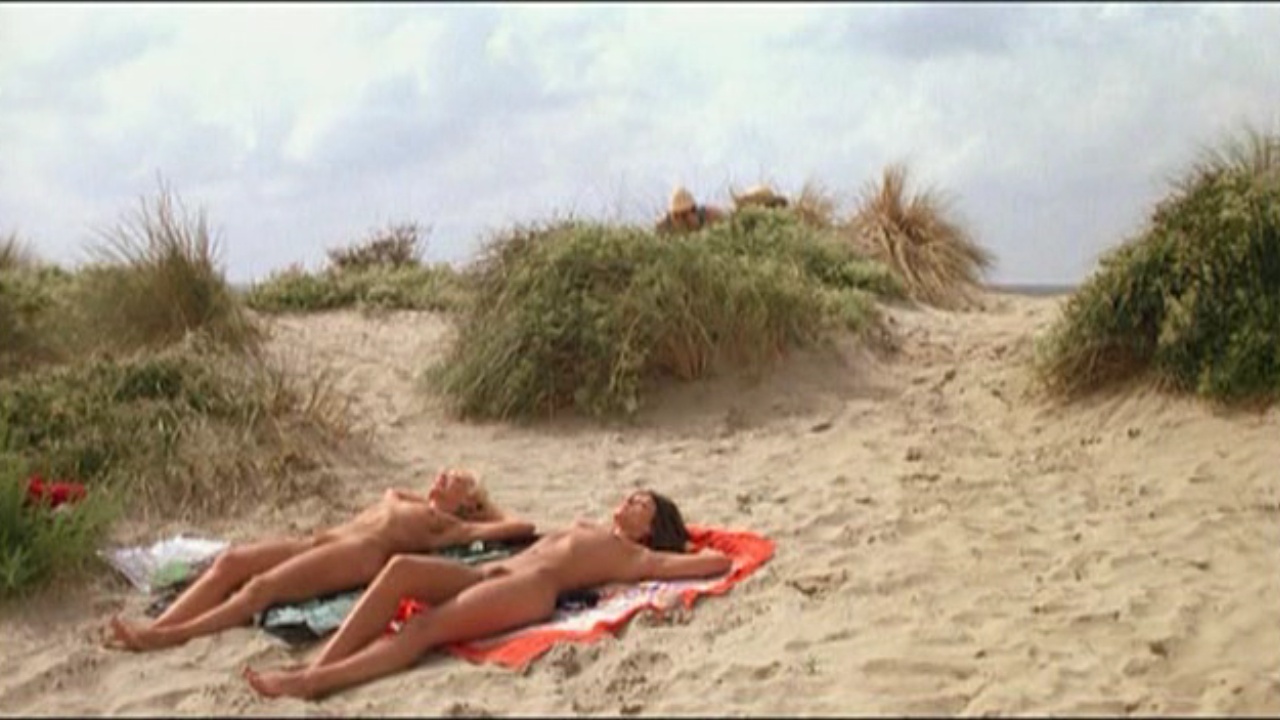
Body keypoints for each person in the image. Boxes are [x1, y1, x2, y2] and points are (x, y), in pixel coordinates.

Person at [242, 490, 731, 699]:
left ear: (651, 529)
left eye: (642, 503)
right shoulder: (594, 529)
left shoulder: (635, 557)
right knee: (399, 570)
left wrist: (696, 539)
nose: (629, 499)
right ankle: (319, 664)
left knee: (422, 629)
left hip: (528, 590)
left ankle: (315, 683)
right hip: (490, 574)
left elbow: (715, 563)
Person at [104, 468, 535, 652]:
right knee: (231, 563)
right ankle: (158, 627)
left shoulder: (448, 526)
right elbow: (395, 493)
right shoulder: (411, 501)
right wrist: (443, 493)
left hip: (356, 556)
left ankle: (168, 636)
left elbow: (521, 526)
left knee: (260, 589)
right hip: (319, 541)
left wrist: (483, 510)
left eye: (456, 478)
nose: (443, 475)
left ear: (469, 503)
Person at [656, 186, 728, 234]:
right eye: (677, 216)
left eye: (693, 210)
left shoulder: (711, 216)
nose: (681, 220)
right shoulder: (664, 227)